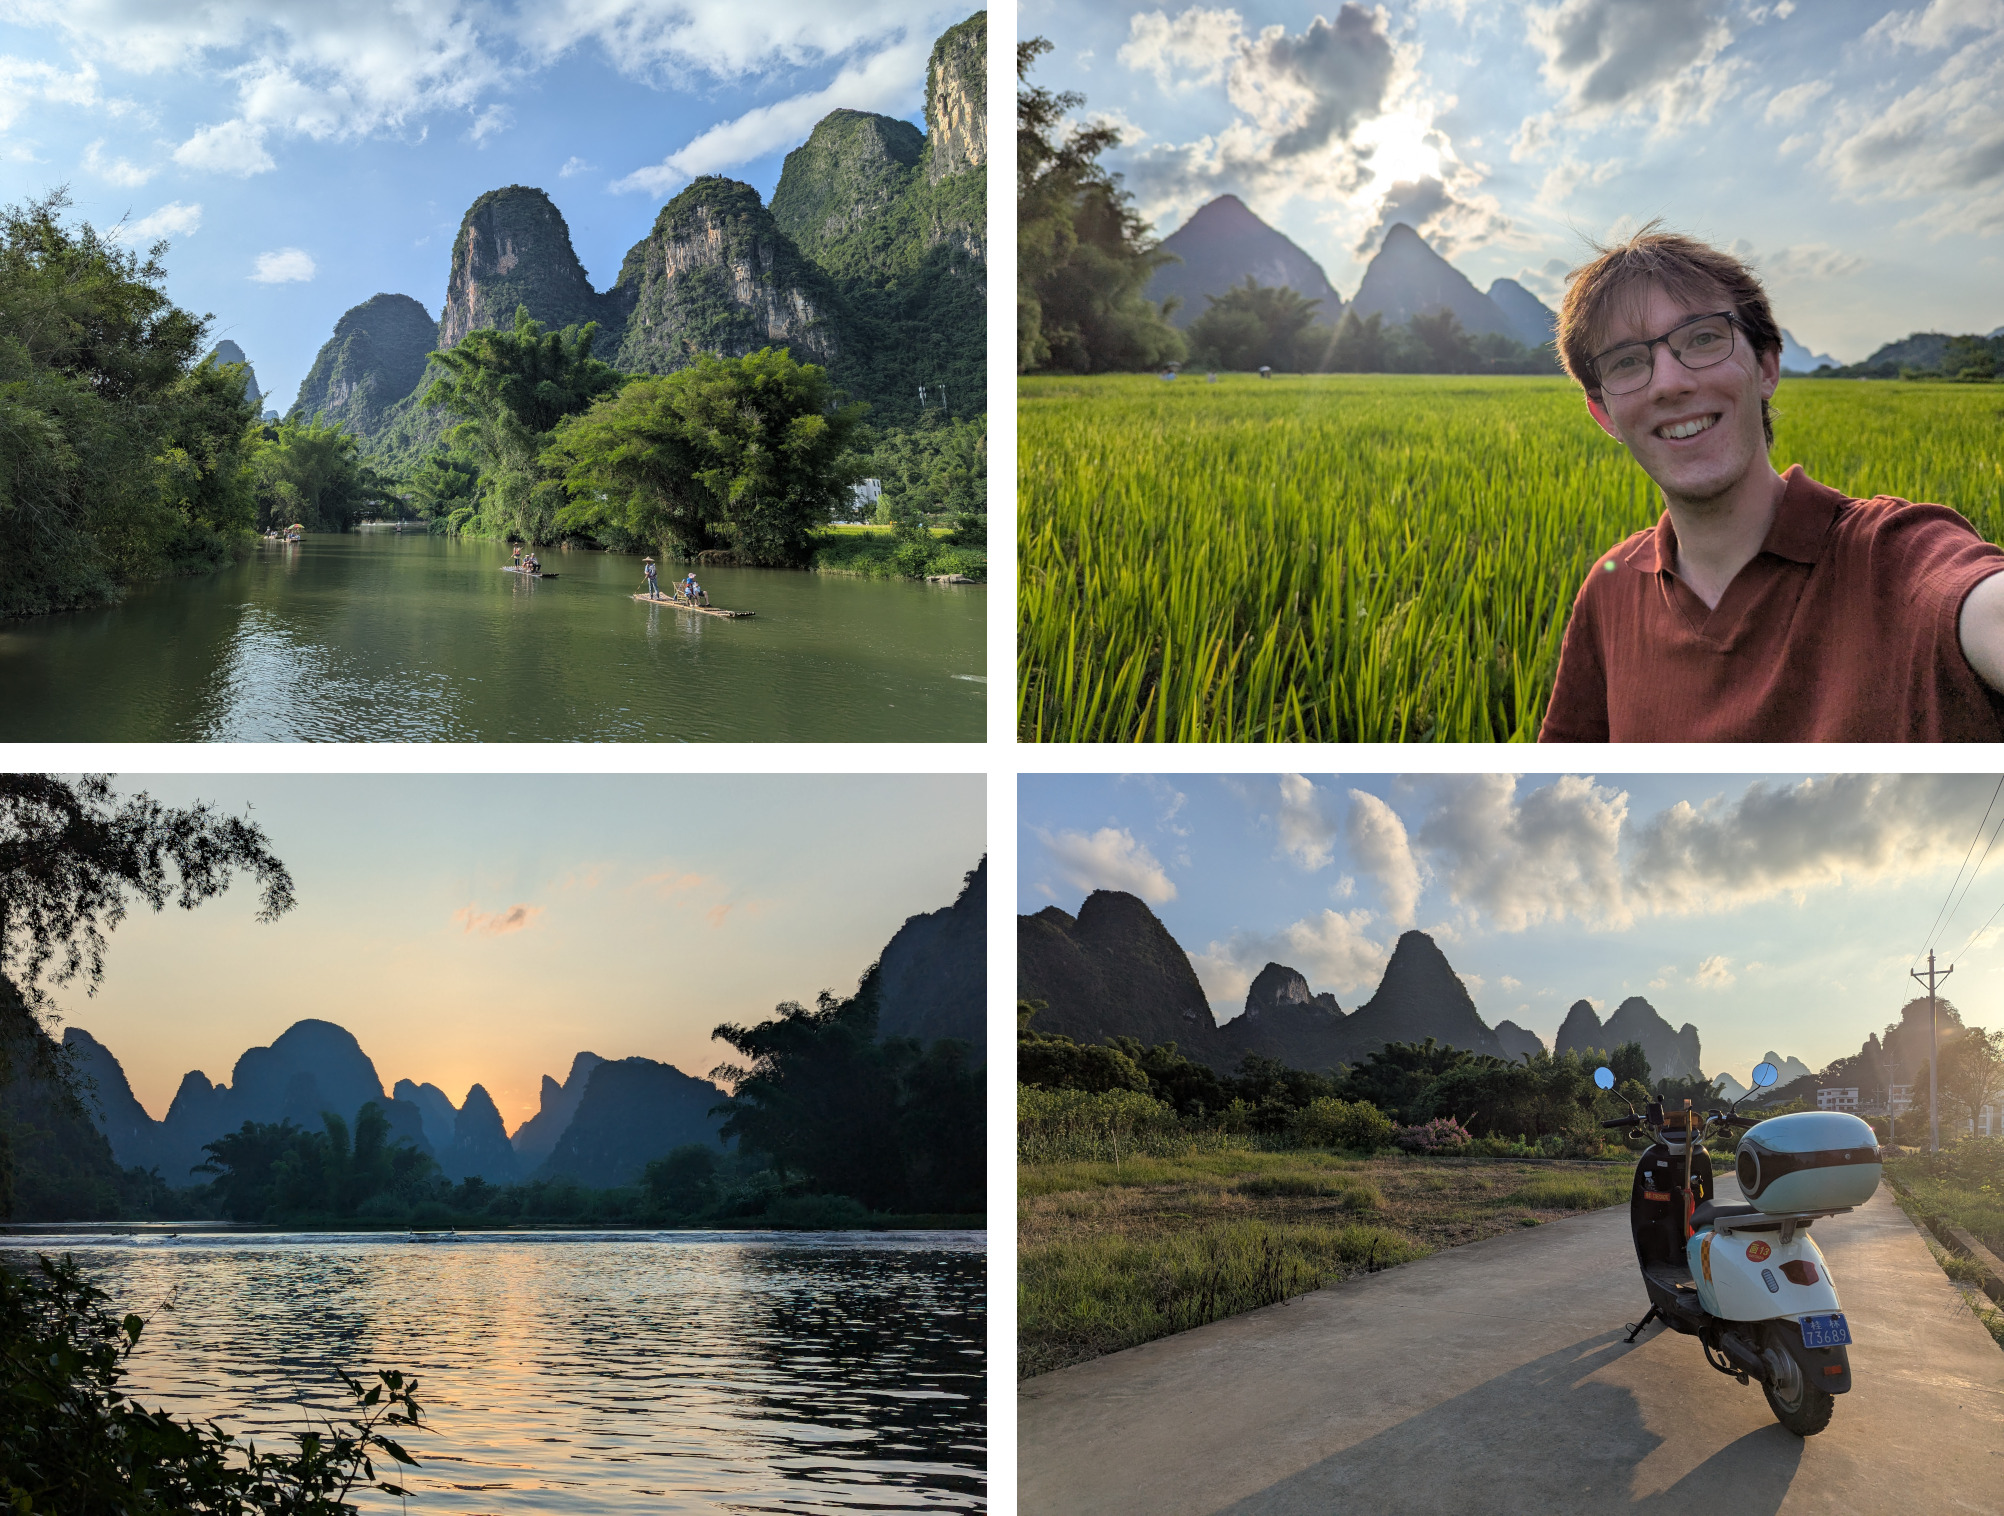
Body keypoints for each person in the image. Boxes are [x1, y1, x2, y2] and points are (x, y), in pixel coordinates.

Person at [1538, 224, 2004, 742]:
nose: (1670, 383)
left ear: (1766, 366)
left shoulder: (1893, 556)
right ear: (1603, 414)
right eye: (1627, 361)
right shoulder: (1610, 590)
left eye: (1704, 338)